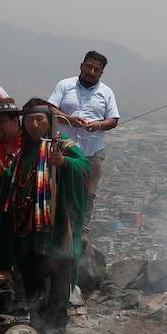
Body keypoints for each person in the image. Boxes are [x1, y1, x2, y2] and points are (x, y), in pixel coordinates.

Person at [0, 98, 89, 334]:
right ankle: (37, 324)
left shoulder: (62, 147)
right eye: (30, 120)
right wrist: (3, 172)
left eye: (40, 119)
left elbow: (84, 166)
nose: (35, 125)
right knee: (32, 277)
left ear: (49, 121)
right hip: (26, 228)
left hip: (54, 230)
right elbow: (15, 185)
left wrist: (64, 163)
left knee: (56, 277)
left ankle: (56, 329)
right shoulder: (22, 153)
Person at [48, 51, 118, 244]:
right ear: (81, 66)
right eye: (89, 67)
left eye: (97, 69)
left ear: (101, 73)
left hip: (92, 151)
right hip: (63, 150)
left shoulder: (106, 92)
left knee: (89, 193)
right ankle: (58, 228)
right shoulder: (65, 85)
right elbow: (50, 108)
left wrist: (97, 125)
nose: (91, 72)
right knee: (59, 187)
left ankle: (82, 231)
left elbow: (113, 120)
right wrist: (69, 119)